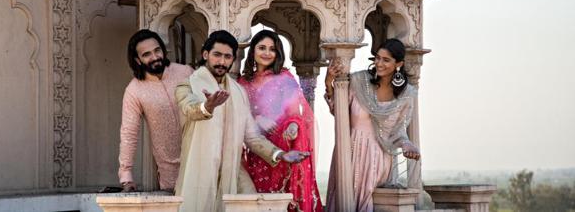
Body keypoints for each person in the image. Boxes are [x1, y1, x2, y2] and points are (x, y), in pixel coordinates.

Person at [174, 30, 310, 212]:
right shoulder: (187, 85)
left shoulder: (238, 92)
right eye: (217, 55)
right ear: (205, 54)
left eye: (227, 57)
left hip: (232, 168)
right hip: (199, 169)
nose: (222, 62)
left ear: (233, 59)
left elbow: (252, 136)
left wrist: (280, 155)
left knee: (250, 204)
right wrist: (207, 107)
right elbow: (190, 109)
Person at [324, 38, 421, 212]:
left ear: (398, 64)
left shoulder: (406, 94)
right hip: (349, 151)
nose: (379, 63)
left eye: (386, 60)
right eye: (377, 58)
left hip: (378, 156)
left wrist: (407, 144)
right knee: (344, 200)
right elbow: (338, 112)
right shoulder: (358, 82)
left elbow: (398, 130)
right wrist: (328, 83)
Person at [237, 30, 323, 212]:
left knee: (284, 200)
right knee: (262, 201)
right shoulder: (243, 82)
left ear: (278, 53)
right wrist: (257, 119)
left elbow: (295, 114)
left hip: (284, 144)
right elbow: (238, 115)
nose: (267, 53)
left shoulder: (285, 78)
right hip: (258, 150)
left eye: (272, 49)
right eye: (262, 48)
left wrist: (293, 126)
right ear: (252, 51)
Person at [118, 29, 194, 192]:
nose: (155, 57)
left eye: (157, 50)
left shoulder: (185, 72)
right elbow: (129, 133)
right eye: (146, 54)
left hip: (200, 160)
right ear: (137, 60)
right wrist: (126, 176)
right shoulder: (134, 90)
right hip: (170, 173)